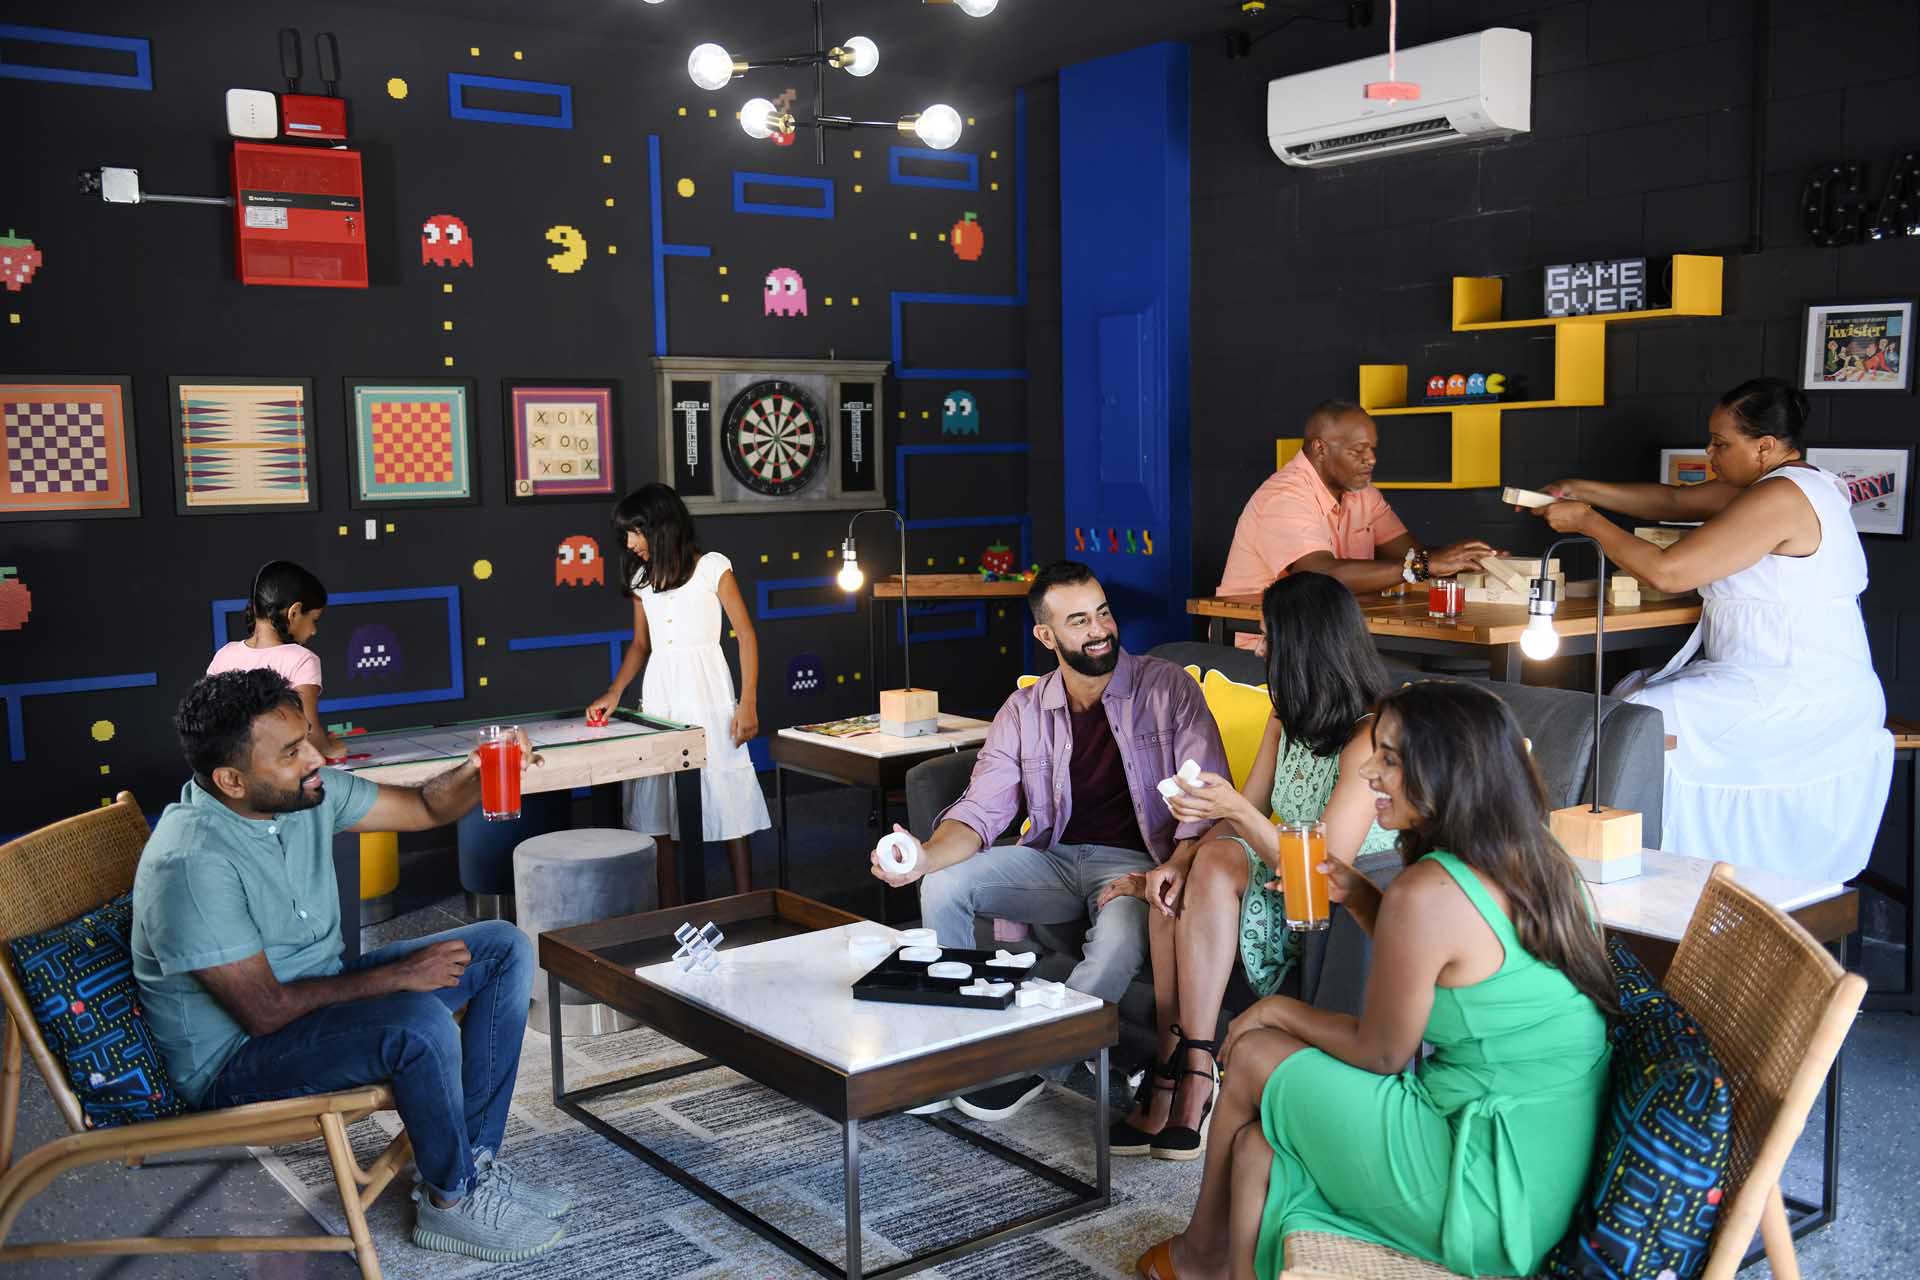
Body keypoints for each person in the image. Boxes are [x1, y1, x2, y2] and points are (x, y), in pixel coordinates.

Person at [1136, 680, 1614, 1280]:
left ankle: (1199, 1255)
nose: (1369, 774)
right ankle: (1226, 1265)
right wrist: (1362, 898)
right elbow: (1457, 963)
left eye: (1388, 758)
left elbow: (1384, 1052)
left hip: (1484, 1185)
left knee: (1256, 1053)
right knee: (1256, 1149)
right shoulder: (1542, 861)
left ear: (1442, 770)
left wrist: (1274, 1011)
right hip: (1543, 1169)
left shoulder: (1429, 892)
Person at [131, 669, 569, 1261]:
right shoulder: (190, 862)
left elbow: (421, 807)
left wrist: (475, 768)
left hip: (317, 994)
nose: (315, 756)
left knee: (500, 948)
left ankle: (473, 1164)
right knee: (419, 1024)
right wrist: (397, 978)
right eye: (291, 752)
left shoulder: (304, 792)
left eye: (307, 737)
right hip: (236, 1059)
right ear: (231, 780)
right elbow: (264, 1013)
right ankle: (451, 1202)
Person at [868, 561, 1229, 1123]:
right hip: (1053, 861)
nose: (1099, 630)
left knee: (1112, 949)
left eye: (1103, 613)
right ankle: (961, 1048)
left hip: (1137, 868)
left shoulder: (1168, 690)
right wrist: (921, 857)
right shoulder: (1025, 710)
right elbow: (982, 811)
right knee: (943, 885)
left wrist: (1174, 865)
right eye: (1079, 620)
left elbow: (1207, 805)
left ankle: (1031, 1067)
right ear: (1046, 635)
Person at [1531, 377, 1893, 883]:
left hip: (1800, 692)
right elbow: (1674, 503)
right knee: (1630, 709)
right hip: (1778, 680)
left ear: (1765, 447)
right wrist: (1584, 490)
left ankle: (1642, 871)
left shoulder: (1784, 497)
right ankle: (1612, 860)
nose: (1710, 452)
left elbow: (1668, 572)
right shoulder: (1783, 484)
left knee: (1641, 718)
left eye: (1722, 444)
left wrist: (1590, 521)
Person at [1096, 572, 1399, 1161]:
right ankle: (1179, 1070)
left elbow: (1322, 867)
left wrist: (1230, 809)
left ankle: (1189, 1078)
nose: (1258, 649)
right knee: (1178, 886)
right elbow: (1246, 812)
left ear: (1305, 646)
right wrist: (1178, 857)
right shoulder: (1287, 715)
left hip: (1322, 894)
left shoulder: (1368, 737)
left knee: (1209, 866)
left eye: (1267, 638)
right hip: (1268, 867)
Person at [587, 484, 770, 904]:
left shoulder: (712, 568)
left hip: (707, 692)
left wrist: (748, 701)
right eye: (627, 535)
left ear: (662, 526)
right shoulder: (641, 579)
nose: (630, 544)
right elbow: (640, 645)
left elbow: (745, 634)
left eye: (636, 532)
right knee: (659, 797)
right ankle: (671, 907)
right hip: (661, 693)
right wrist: (614, 693)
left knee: (724, 792)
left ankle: (744, 901)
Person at [1215, 400, 1495, 648]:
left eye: (1372, 449)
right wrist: (1423, 566)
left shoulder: (1363, 494)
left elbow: (1410, 556)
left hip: (1332, 637)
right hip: (1267, 646)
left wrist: (1465, 561)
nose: (1371, 459)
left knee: (1442, 677)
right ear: (1320, 448)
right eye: (1357, 450)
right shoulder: (1284, 497)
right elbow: (1321, 576)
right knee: (1414, 684)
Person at [206, 561, 343, 760]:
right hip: (280, 779)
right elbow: (308, 734)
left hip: (231, 775)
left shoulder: (224, 654)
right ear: (294, 613)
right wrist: (331, 748)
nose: (314, 630)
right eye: (314, 619)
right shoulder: (302, 659)